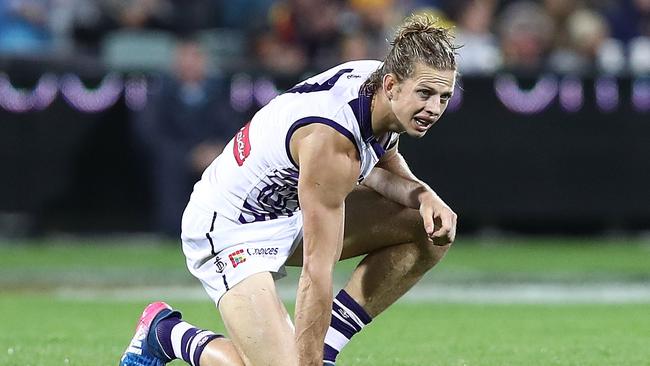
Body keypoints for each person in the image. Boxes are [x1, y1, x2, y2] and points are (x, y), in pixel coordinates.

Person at [120, 14, 458, 366]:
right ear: (391, 86)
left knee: (429, 226)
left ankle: (324, 347)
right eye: (425, 93)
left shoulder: (380, 86)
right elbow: (317, 270)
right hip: (230, 228)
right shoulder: (330, 140)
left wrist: (422, 195)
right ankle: (164, 334)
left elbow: (379, 158)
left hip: (288, 207)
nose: (434, 108)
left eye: (443, 97)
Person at [133, 37, 245, 237]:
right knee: (167, 166)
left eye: (196, 57)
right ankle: (174, 230)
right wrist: (188, 153)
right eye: (185, 57)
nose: (190, 63)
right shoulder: (160, 92)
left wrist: (216, 149)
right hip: (176, 155)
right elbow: (150, 132)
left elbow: (234, 128)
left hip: (214, 155)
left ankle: (223, 230)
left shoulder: (220, 91)